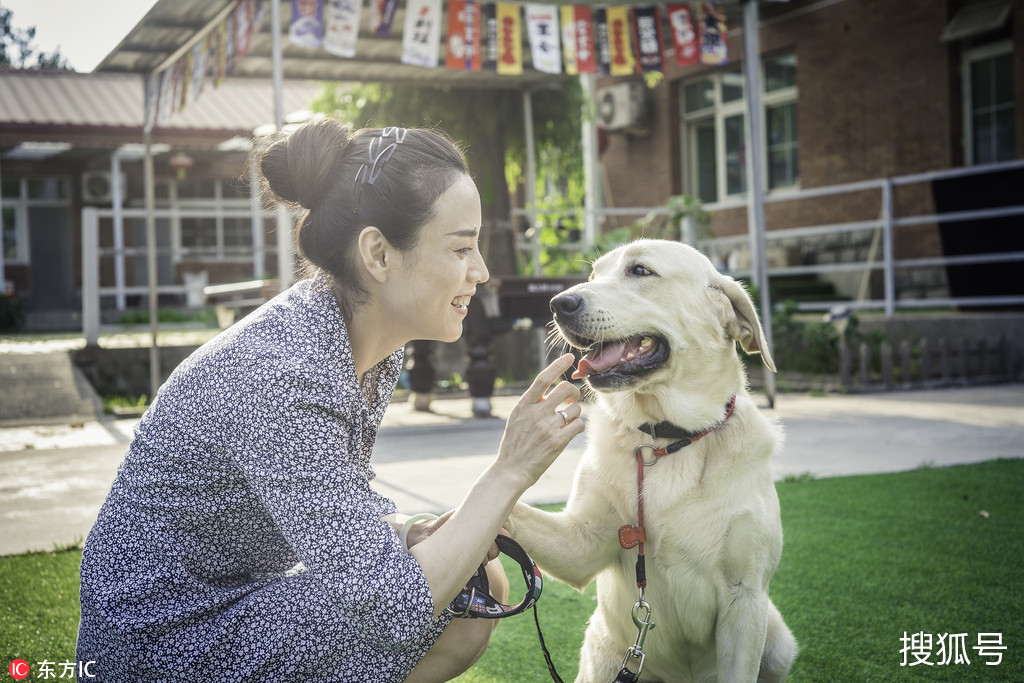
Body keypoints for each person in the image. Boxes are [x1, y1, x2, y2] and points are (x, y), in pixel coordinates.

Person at [76, 118, 585, 682]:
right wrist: (510, 470)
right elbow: (390, 610)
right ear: (378, 254)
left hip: (234, 602)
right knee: (416, 602)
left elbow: (334, 504)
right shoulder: (283, 376)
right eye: (462, 247)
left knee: (473, 581)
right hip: (159, 645)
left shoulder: (360, 344)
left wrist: (402, 534)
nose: (482, 271)